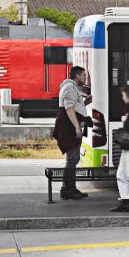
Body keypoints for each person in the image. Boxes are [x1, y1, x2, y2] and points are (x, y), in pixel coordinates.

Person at [53, 65, 91, 200]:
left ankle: (71, 188)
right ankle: (67, 189)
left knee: (73, 159)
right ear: (77, 76)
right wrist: (77, 127)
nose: (85, 78)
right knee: (72, 159)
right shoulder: (69, 88)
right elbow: (69, 109)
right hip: (69, 128)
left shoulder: (72, 88)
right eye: (84, 76)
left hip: (70, 127)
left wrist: (85, 103)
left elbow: (74, 107)